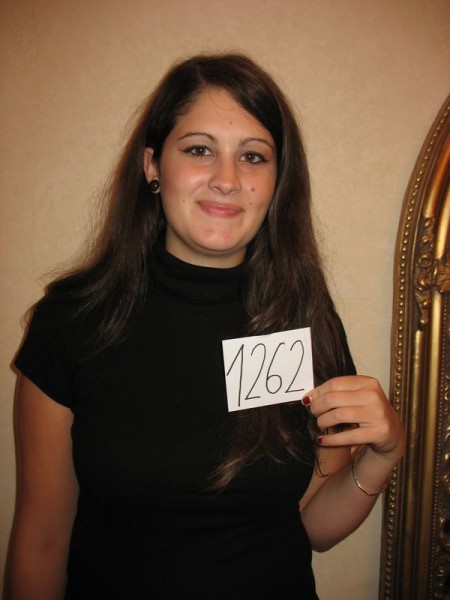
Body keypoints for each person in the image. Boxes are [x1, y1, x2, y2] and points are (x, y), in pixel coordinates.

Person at [7, 52, 405, 600]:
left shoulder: (304, 319)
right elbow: (41, 543)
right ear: (152, 166)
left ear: (277, 181)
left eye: (253, 156)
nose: (227, 180)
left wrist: (383, 456)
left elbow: (312, 524)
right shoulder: (72, 321)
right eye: (199, 150)